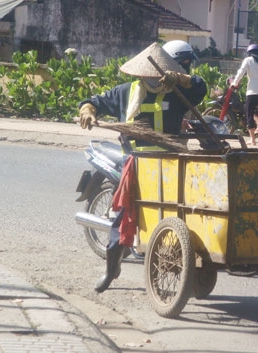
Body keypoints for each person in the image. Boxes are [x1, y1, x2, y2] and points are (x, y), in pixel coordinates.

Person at [78, 41, 206, 293]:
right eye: (149, 74)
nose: (154, 78)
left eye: (159, 74)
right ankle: (111, 269)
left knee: (183, 215)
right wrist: (87, 110)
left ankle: (189, 267)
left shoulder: (177, 94)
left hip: (171, 167)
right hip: (135, 167)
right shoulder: (125, 93)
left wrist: (180, 79)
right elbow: (92, 101)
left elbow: (201, 86)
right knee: (123, 219)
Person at [231, 44, 258, 146]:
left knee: (248, 114)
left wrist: (234, 83)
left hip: (252, 92)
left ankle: (253, 139)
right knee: (247, 108)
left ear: (249, 53)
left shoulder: (248, 60)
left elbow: (241, 72)